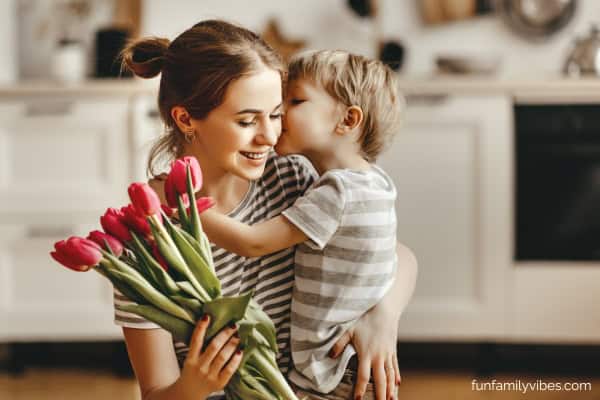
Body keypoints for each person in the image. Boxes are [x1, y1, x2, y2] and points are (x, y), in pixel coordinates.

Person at [116, 19, 417, 400]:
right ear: (186, 118)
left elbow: (393, 253)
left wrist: (383, 316)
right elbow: (157, 393)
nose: (270, 136)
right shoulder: (148, 240)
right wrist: (194, 385)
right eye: (247, 120)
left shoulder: (291, 179)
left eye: (276, 114)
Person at [198, 49, 408, 399]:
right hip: (353, 365)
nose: (278, 116)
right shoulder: (377, 182)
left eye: (294, 101)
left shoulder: (338, 193)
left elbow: (253, 243)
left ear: (347, 120)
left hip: (331, 369)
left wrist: (184, 208)